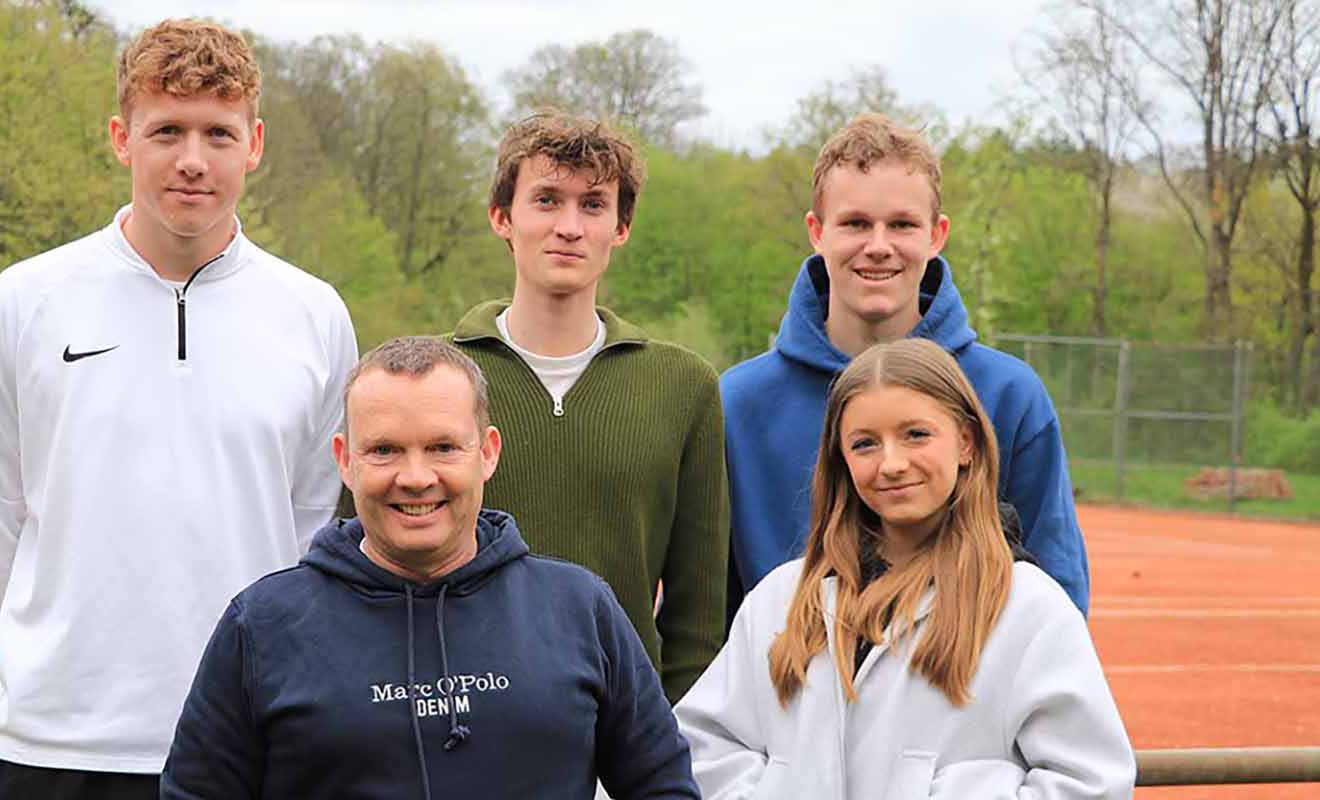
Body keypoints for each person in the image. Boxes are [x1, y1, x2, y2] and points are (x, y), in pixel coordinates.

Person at [0, 19, 357, 798]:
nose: (193, 160)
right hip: (54, 744)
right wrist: (60, 662)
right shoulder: (24, 300)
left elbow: (307, 523)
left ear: (256, 143)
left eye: (218, 133)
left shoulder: (315, 314)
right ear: (121, 137)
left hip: (250, 737)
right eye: (167, 130)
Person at [161, 336, 699, 799]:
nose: (415, 477)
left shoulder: (579, 609)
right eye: (386, 450)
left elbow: (663, 786)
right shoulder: (262, 627)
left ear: (487, 452)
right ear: (345, 460)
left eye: (443, 447)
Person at [676, 338, 1134, 798]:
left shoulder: (1029, 608)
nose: (892, 464)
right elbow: (704, 749)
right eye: (864, 444)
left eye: (916, 434)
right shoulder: (781, 600)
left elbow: (1091, 782)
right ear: (842, 461)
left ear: (966, 443)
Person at [722, 113, 1089, 616]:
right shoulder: (737, 402)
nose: (878, 246)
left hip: (958, 685)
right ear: (816, 231)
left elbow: (1056, 594)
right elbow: (708, 612)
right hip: (786, 686)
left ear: (936, 234)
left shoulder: (1008, 394)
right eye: (854, 223)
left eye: (901, 224)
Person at [450, 111, 728, 704]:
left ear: (621, 227)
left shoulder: (683, 386)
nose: (569, 227)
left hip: (623, 731)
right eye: (547, 200)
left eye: (593, 205)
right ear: (503, 217)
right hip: (460, 721)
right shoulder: (431, 380)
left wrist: (676, 742)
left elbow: (697, 612)